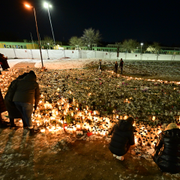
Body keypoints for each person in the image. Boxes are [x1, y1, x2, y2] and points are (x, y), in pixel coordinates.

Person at [13, 71, 40, 135]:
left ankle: (26, 125)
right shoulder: (34, 84)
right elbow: (37, 96)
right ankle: (31, 130)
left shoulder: (20, 82)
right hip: (27, 102)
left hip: (16, 101)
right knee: (28, 116)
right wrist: (36, 104)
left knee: (23, 114)